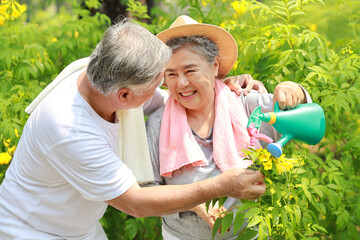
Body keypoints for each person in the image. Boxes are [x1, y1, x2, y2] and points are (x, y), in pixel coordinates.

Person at [0, 18, 267, 239]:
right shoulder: (69, 129)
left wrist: (218, 87)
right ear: (125, 98)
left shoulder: (106, 73)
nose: (164, 90)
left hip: (79, 226)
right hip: (32, 229)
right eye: (158, 84)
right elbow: (136, 202)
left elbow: (172, 98)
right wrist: (220, 186)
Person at [145, 15, 312, 240]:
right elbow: (146, 193)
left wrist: (295, 90)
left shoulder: (247, 105)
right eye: (171, 74)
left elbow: (307, 121)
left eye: (190, 70)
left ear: (214, 66)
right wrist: (194, 203)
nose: (181, 83)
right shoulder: (158, 122)